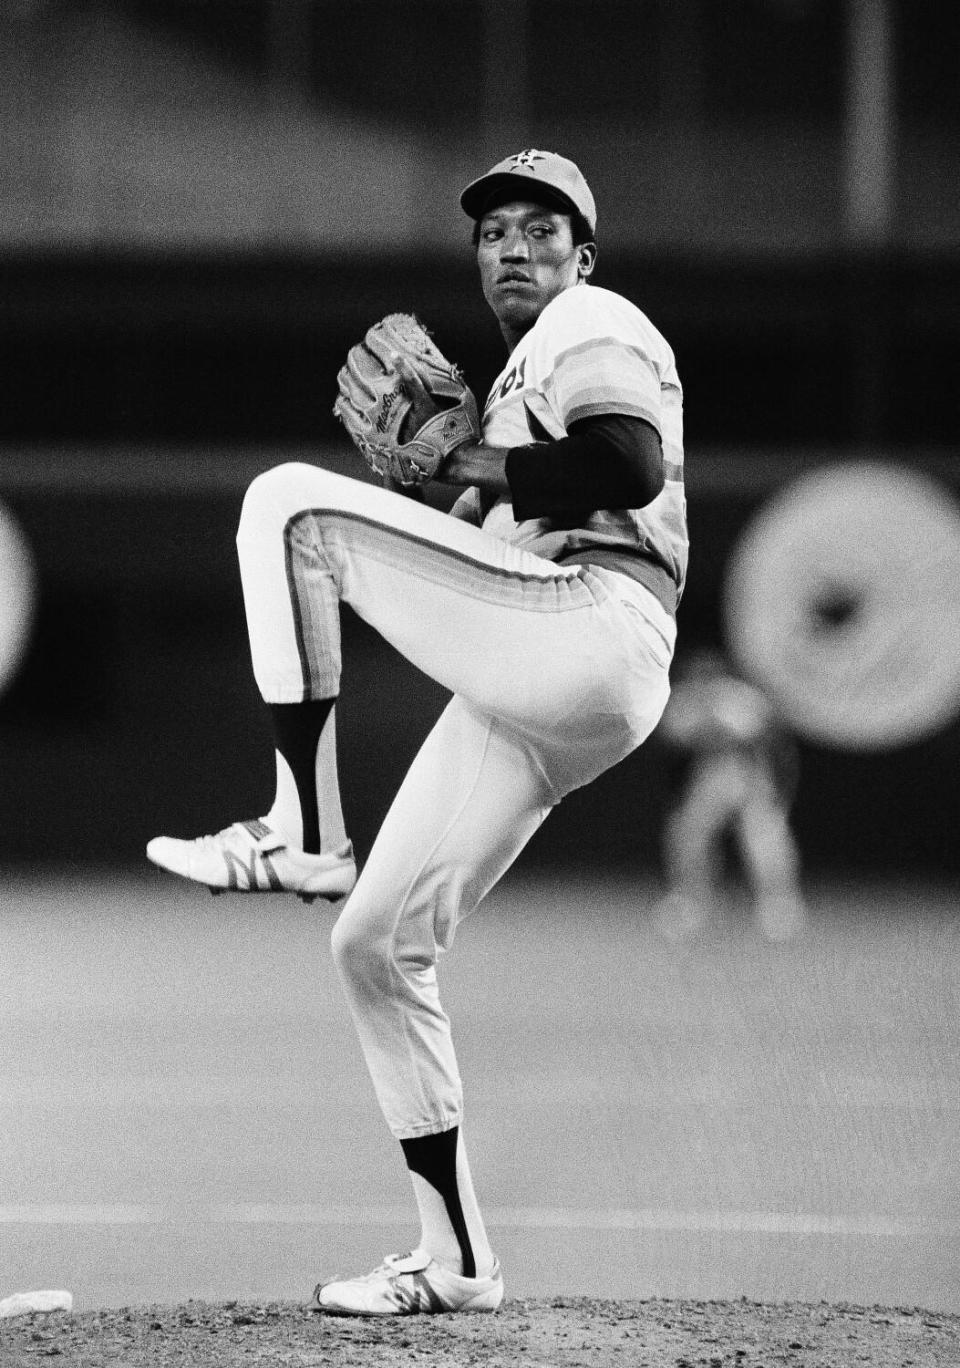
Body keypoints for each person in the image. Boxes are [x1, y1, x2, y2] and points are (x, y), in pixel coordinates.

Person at [147, 149, 687, 1315]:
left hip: (597, 627)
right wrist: (449, 481)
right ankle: (456, 1261)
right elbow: (483, 523)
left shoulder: (594, 317)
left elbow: (628, 464)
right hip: (548, 677)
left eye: (544, 228)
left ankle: (301, 824)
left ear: (583, 256)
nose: (516, 246)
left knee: (285, 504)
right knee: (375, 946)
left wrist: (464, 464)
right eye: (494, 231)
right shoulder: (506, 393)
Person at [652, 648, 807, 942]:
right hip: (710, 776)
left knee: (764, 839)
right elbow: (670, 737)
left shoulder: (740, 698)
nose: (703, 681)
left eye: (708, 676)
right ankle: (691, 902)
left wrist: (778, 789)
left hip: (750, 775)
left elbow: (770, 741)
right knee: (687, 834)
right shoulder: (684, 700)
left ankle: (779, 906)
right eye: (698, 676)